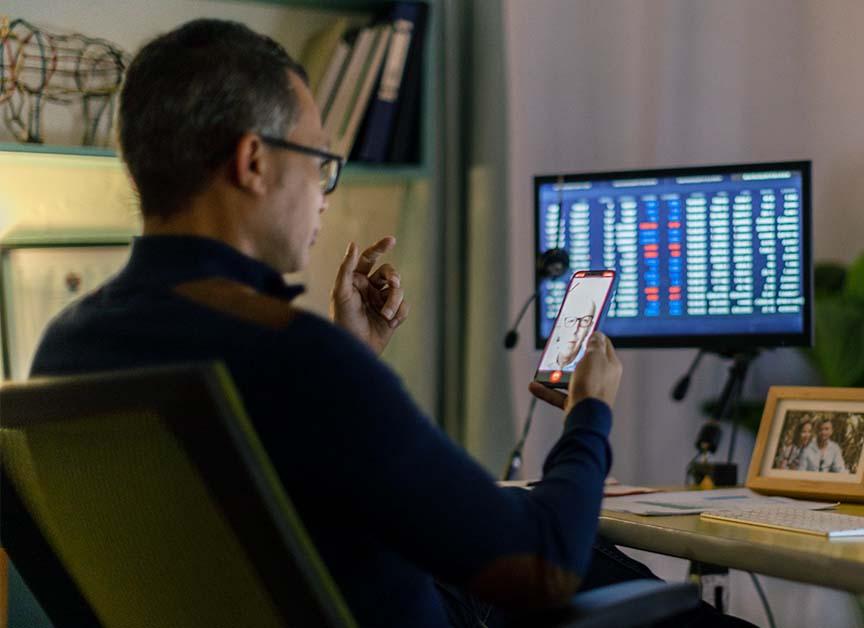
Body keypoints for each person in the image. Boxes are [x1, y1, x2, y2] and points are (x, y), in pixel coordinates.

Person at [28, 19, 747, 628]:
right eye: (319, 163)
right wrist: (590, 411)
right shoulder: (293, 356)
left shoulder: (67, 346)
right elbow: (543, 566)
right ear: (253, 161)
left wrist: (352, 358)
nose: (322, 194)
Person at [545, 294, 597, 369]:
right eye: (570, 320)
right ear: (559, 324)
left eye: (584, 321)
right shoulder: (545, 365)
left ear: (589, 328)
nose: (575, 330)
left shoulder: (592, 369)